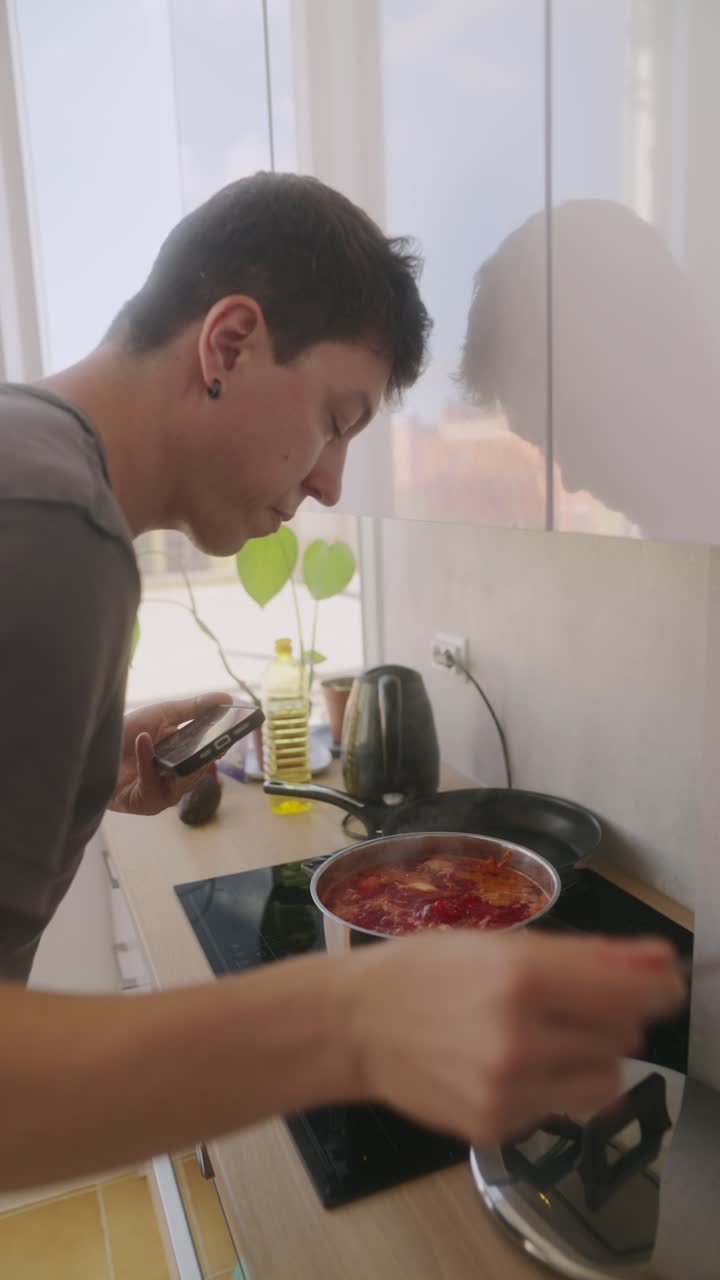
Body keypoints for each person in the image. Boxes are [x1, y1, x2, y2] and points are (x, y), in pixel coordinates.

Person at [0, 172, 684, 1192]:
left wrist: (84, 767)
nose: (328, 482)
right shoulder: (55, 528)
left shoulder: (28, 461)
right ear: (228, 343)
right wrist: (349, 1019)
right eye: (335, 418)